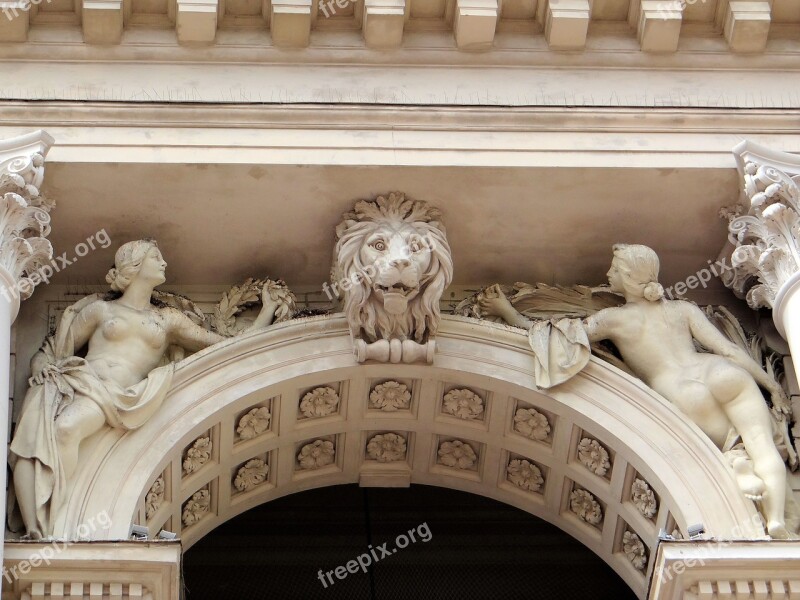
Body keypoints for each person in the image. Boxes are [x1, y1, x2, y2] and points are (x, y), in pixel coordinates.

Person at [480, 243, 793, 538]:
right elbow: (727, 349)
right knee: (761, 443)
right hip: (720, 371)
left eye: (614, 270)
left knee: (721, 451)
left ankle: (736, 464)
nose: (608, 275)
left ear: (628, 278)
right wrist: (771, 387)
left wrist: (506, 310)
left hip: (680, 392)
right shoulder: (682, 309)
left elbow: (558, 336)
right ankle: (775, 518)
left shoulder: (614, 319)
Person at [10, 239, 281, 538]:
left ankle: (52, 522)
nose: (164, 263)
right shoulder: (100, 311)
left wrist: (265, 312)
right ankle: (50, 523)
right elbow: (54, 350)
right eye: (156, 257)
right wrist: (39, 369)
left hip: (125, 395)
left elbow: (224, 347)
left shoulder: (167, 319)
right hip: (87, 384)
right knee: (62, 429)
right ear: (134, 266)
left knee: (65, 429)